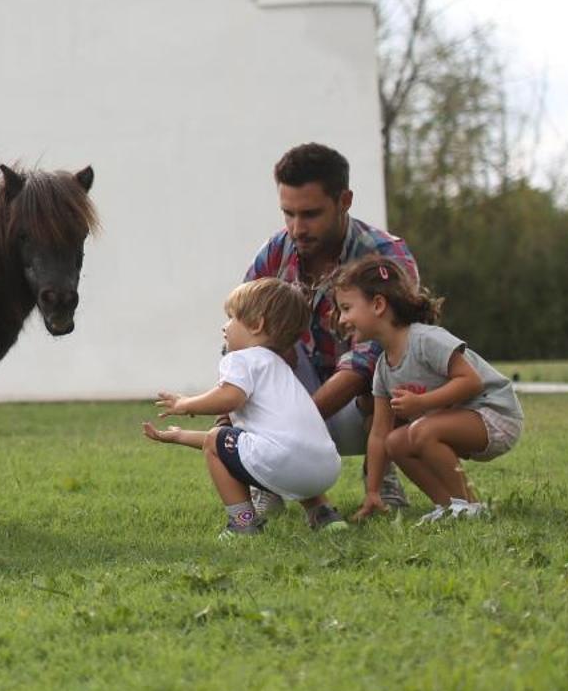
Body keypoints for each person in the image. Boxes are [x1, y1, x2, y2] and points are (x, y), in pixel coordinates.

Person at [244, 142, 416, 510]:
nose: (296, 228)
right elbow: (240, 329)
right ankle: (267, 481)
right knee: (250, 351)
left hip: (364, 405)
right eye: (287, 213)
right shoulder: (275, 252)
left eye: (310, 214)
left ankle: (381, 478)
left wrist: (296, 418)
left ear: (344, 200)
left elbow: (372, 357)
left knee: (394, 366)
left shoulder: (386, 256)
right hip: (293, 402)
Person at [146, 278, 345, 537]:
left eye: (231, 317)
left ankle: (242, 522)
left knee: (223, 437)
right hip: (325, 468)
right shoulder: (281, 369)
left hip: (284, 463)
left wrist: (186, 403)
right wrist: (180, 436)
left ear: (256, 324)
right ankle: (324, 514)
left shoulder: (239, 359)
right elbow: (232, 446)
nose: (224, 326)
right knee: (289, 445)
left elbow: (229, 399)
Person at [332, 256, 523, 523]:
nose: (342, 319)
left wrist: (422, 403)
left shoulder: (425, 339)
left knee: (420, 430)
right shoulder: (383, 369)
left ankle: (470, 504)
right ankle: (448, 506)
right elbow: (378, 434)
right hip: (457, 420)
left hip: (495, 415)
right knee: (396, 442)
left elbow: (471, 381)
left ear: (378, 305)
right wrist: (373, 491)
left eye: (346, 308)